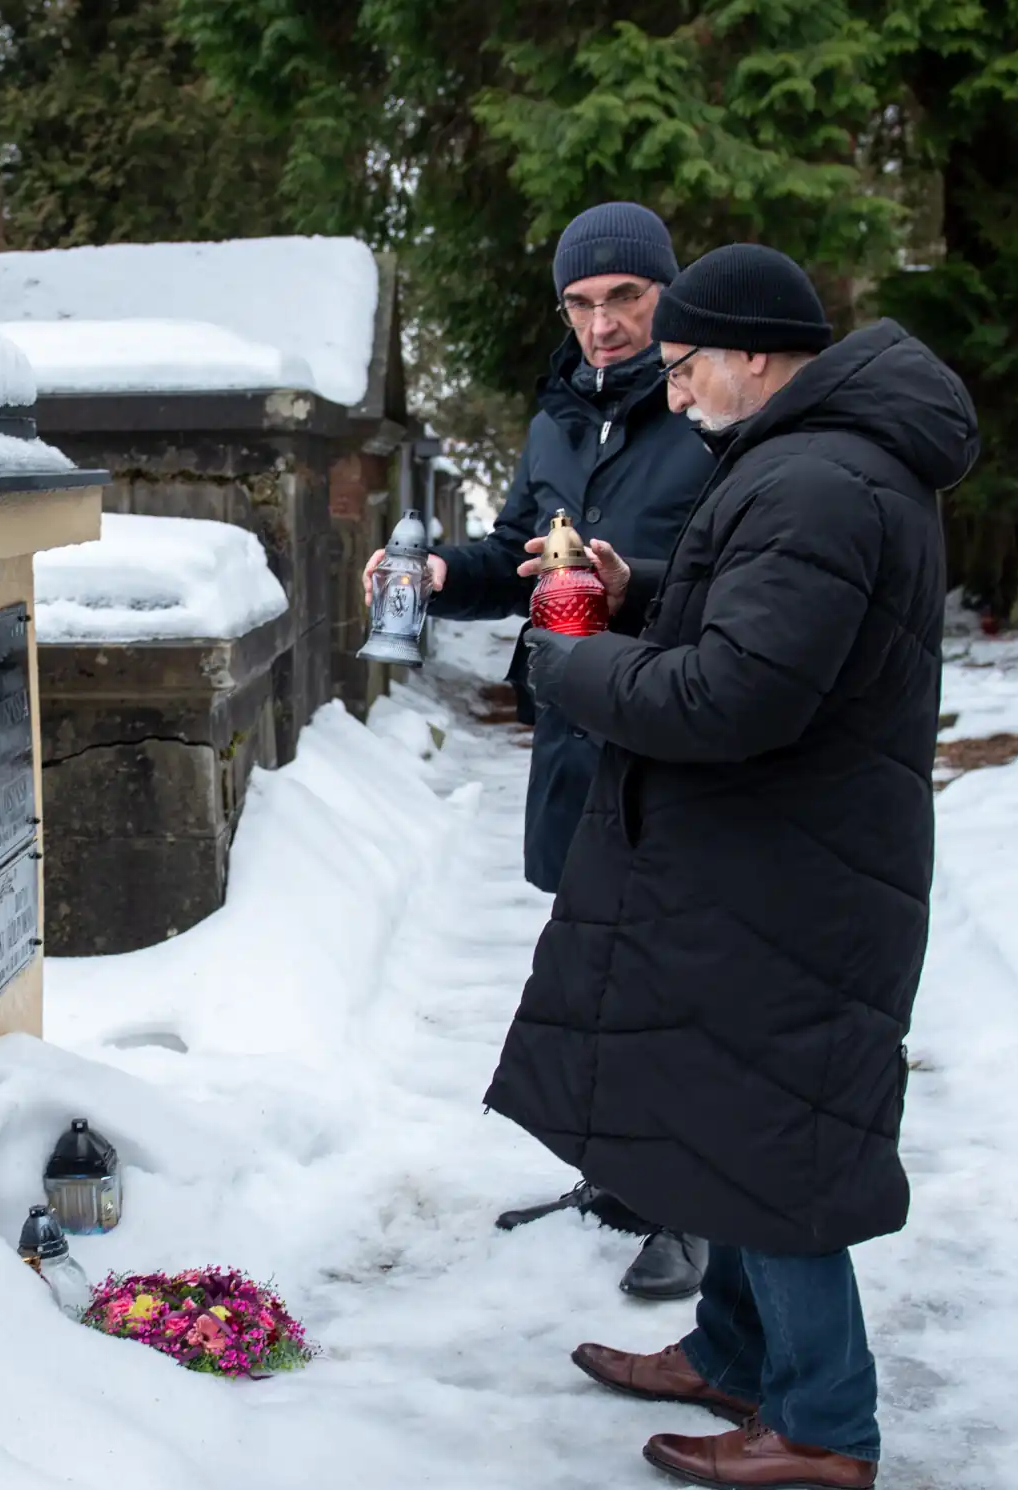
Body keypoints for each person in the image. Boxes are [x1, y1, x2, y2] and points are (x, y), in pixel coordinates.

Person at [486, 243, 979, 1490]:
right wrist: (633, 587)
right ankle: (732, 1354)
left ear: (755, 354)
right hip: (777, 852)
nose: (677, 382)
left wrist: (570, 660)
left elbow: (735, 693)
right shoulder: (815, 461)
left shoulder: (818, 478)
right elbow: (757, 621)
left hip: (792, 861)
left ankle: (824, 1420)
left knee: (775, 1139)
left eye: (688, 359)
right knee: (730, 1108)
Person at [363, 200, 717, 1304]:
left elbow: (741, 568)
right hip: (573, 724)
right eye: (580, 303)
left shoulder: (710, 410)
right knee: (595, 958)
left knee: (678, 971)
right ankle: (615, 1177)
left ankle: (695, 1209)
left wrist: (638, 592)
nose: (602, 326)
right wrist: (434, 575)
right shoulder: (561, 414)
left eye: (625, 301)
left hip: (675, 720)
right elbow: (517, 544)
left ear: (666, 297)